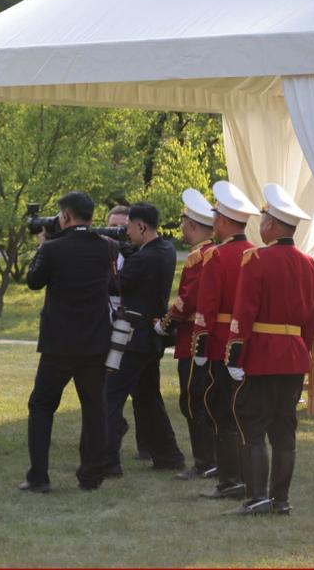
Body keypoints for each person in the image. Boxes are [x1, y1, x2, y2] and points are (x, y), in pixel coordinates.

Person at [224, 184, 314, 516]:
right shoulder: (311, 264)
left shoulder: (256, 259)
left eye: (264, 218)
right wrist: (300, 353)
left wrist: (235, 355)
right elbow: (309, 321)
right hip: (294, 356)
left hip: (263, 356)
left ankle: (257, 497)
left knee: (252, 426)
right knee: (283, 431)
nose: (261, 225)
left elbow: (244, 313)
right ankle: (281, 500)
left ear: (273, 226)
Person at [20, 191, 112, 492]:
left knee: (42, 406)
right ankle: (91, 475)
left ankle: (38, 477)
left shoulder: (54, 249)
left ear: (66, 216)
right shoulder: (106, 248)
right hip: (95, 342)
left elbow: (33, 281)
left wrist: (43, 245)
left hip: (59, 343)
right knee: (94, 408)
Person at [103, 202, 183, 477]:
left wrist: (113, 255)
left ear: (141, 226)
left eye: (128, 228)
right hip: (151, 336)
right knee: (148, 397)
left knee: (111, 395)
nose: (125, 234)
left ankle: (108, 461)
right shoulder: (166, 250)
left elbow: (116, 284)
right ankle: (168, 454)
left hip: (133, 336)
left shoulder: (143, 258)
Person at [192, 181, 259, 500]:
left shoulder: (217, 256)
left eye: (217, 216)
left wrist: (200, 348)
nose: (215, 222)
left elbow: (206, 308)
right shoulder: (257, 254)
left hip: (220, 344)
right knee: (243, 411)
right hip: (250, 345)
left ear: (224, 221)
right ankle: (246, 477)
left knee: (220, 410)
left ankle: (230, 479)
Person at [155, 189, 217, 480]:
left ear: (192, 225)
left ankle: (205, 462)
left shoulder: (198, 258)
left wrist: (164, 324)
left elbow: (185, 301)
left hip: (194, 338)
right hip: (215, 338)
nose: (181, 228)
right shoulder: (216, 252)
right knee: (210, 399)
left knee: (193, 401)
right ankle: (217, 460)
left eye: (183, 223)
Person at [106, 204, 149, 461]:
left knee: (140, 391)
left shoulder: (137, 254)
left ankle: (145, 444)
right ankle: (115, 428)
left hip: (130, 327)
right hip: (106, 324)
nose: (116, 233)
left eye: (122, 228)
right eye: (111, 228)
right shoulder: (102, 251)